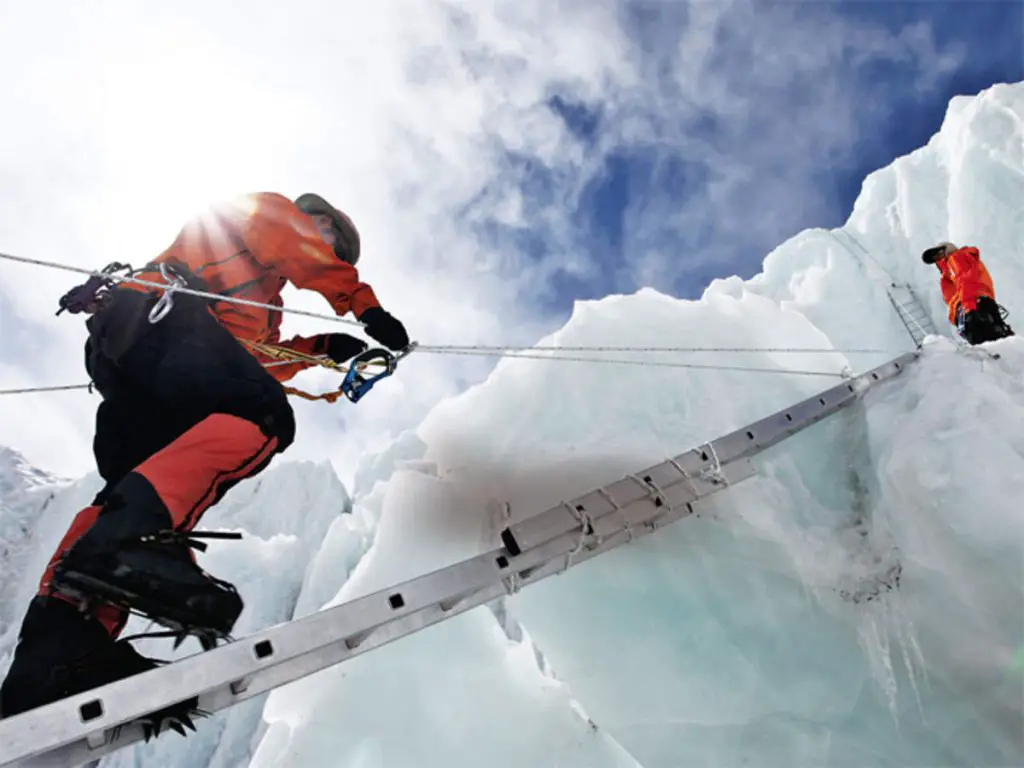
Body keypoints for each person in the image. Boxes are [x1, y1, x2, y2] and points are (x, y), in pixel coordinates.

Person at [0, 191, 409, 724]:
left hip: (137, 351)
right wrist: (364, 307)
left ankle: (60, 650)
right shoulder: (268, 214)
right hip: (159, 324)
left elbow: (249, 357)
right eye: (332, 240)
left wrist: (321, 347)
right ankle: (128, 542)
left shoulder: (260, 292)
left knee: (127, 487)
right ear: (319, 222)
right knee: (265, 419)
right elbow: (293, 249)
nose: (328, 249)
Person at [921, 241, 1014, 345]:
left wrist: (968, 307)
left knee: (987, 343)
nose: (939, 256)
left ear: (947, 249)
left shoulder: (956, 258)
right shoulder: (951, 269)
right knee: (996, 341)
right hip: (976, 305)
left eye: (940, 252)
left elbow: (966, 280)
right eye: (936, 257)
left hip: (972, 306)